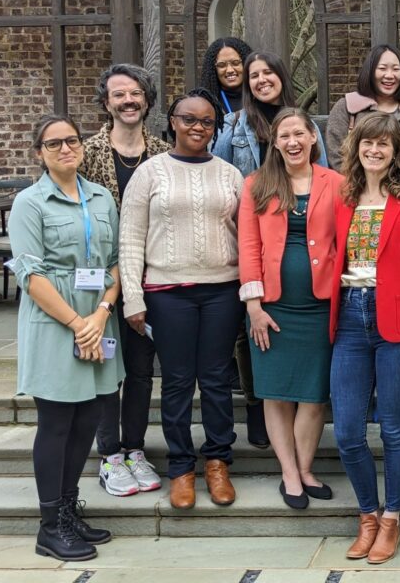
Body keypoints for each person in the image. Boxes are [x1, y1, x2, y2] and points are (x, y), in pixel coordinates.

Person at [120, 89, 245, 511]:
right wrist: (132, 298)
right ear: (172, 121)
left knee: (215, 379)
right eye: (189, 118)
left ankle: (217, 462)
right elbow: (131, 237)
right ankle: (181, 467)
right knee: (175, 381)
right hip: (167, 292)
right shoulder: (150, 172)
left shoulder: (230, 174)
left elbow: (246, 236)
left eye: (207, 121)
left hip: (222, 290)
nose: (198, 127)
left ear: (216, 127)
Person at [10, 115, 123, 561]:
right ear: (39, 153)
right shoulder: (30, 202)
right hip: (55, 321)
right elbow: (30, 275)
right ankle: (49, 524)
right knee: (57, 423)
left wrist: (101, 313)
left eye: (71, 140)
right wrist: (79, 325)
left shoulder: (100, 198)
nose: (64, 149)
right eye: (53, 144)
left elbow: (116, 263)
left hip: (99, 316)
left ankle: (69, 508)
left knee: (88, 419)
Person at [329, 113, 400, 565]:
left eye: (384, 145)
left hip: (397, 323)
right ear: (357, 147)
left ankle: (392, 517)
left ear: (397, 153)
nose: (374, 151)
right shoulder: (343, 198)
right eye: (367, 143)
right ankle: (368, 514)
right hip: (351, 321)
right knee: (348, 431)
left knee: (394, 428)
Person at [212, 50, 328, 447]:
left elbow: (324, 180)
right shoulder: (234, 125)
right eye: (254, 75)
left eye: (268, 72)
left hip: (300, 246)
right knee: (251, 334)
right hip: (254, 229)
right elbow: (224, 176)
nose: (261, 80)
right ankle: (257, 406)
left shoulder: (303, 123)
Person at [238, 108, 343, 509]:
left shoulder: (336, 182)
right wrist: (254, 306)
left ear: (313, 137)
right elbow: (248, 246)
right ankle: (289, 473)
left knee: (314, 395)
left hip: (320, 306)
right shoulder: (257, 184)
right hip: (272, 308)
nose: (293, 142)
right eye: (284, 135)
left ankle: (305, 468)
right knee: (277, 395)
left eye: (299, 133)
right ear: (275, 142)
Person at [80, 64, 169, 497]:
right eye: (119, 94)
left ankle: (135, 448)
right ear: (107, 103)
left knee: (138, 369)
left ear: (147, 100)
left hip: (148, 280)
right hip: (99, 283)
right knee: (103, 369)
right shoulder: (87, 153)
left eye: (135, 93)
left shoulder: (163, 153)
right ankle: (109, 454)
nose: (128, 101)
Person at [325, 44, 400, 171]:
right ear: (370, 71)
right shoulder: (347, 107)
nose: (389, 75)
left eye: (395, 69)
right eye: (382, 68)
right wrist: (364, 187)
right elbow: (336, 156)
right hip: (353, 187)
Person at [200, 36, 253, 115]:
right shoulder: (205, 102)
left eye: (235, 63)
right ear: (213, 69)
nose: (230, 70)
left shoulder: (259, 97)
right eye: (221, 65)